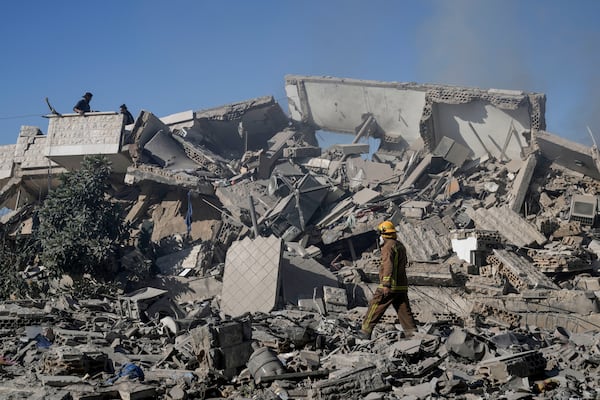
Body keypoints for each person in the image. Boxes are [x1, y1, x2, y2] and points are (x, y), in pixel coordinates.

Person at [359, 220, 417, 339]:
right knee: (404, 312)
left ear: (383, 234)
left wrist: (386, 283)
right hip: (401, 285)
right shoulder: (399, 245)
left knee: (375, 305)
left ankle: (365, 332)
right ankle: (413, 335)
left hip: (390, 285)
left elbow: (388, 265)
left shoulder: (387, 247)